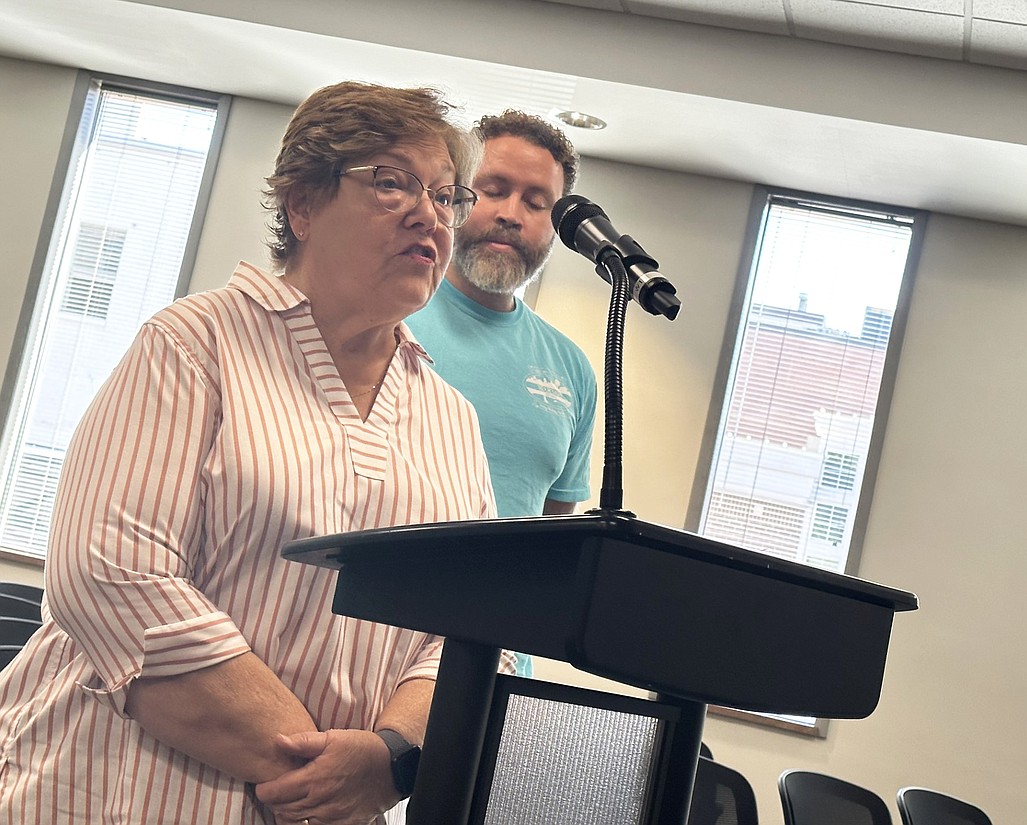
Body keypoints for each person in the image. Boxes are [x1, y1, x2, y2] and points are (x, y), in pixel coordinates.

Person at [0, 81, 501, 825]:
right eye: (392, 182)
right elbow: (110, 574)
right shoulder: (193, 343)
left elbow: (468, 627)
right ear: (303, 204)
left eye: (444, 194)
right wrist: (317, 767)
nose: (429, 213)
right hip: (115, 794)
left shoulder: (452, 420)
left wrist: (390, 757)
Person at [405, 112, 598, 657]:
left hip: (499, 659)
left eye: (536, 203)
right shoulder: (391, 315)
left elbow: (550, 540)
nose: (512, 215)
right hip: (379, 641)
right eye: (494, 190)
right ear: (457, 195)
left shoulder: (571, 369)